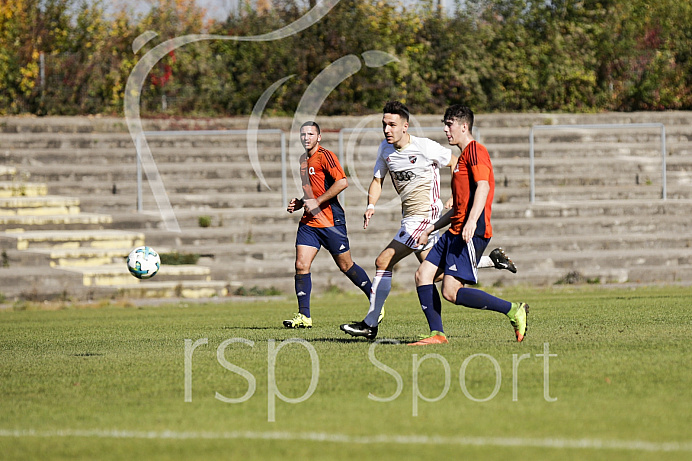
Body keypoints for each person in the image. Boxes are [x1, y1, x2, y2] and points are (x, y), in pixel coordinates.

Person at [340, 101, 516, 340]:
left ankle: (371, 322)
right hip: (410, 219)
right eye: (384, 124)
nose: (387, 129)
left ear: (405, 126)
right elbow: (377, 180)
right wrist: (371, 205)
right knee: (435, 275)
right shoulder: (385, 149)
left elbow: (457, 165)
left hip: (428, 217)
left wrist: (457, 197)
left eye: (392, 124)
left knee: (383, 261)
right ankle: (490, 262)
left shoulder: (426, 147)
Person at [408, 105, 528, 345]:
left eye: (449, 124)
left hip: (470, 232)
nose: (445, 129)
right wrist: (431, 228)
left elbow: (483, 186)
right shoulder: (461, 159)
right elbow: (458, 207)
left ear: (464, 126)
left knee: (450, 292)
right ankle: (437, 334)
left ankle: (513, 310)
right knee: (423, 275)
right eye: (445, 124)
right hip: (454, 231)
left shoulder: (475, 151)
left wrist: (471, 222)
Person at [283, 121, 372, 328]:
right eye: (303, 134)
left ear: (319, 137)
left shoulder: (326, 156)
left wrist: (317, 201)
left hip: (330, 220)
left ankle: (375, 299)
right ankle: (304, 316)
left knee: (346, 265)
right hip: (309, 222)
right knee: (301, 265)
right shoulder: (302, 160)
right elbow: (311, 193)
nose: (307, 137)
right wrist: (300, 203)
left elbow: (342, 182)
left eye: (311, 134)